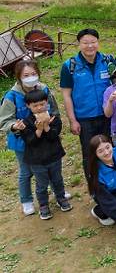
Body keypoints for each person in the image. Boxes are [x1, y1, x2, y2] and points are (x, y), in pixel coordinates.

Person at [0, 60, 61, 216]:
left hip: (45, 138)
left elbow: (54, 110)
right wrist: (14, 126)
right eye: (26, 75)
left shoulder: (44, 89)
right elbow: (4, 120)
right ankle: (26, 200)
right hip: (22, 141)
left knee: (52, 166)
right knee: (26, 171)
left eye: (33, 74)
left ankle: (57, 192)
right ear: (19, 77)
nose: (31, 77)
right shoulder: (12, 96)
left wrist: (53, 122)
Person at [60, 28, 113, 182]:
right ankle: (94, 186)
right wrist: (72, 120)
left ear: (98, 43)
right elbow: (66, 95)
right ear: (79, 44)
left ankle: (109, 183)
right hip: (84, 118)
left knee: (109, 151)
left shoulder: (107, 61)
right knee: (89, 153)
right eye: (85, 43)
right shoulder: (70, 66)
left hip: (106, 115)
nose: (90, 46)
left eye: (93, 42)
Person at [20, 89, 71, 220]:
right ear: (28, 106)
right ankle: (43, 205)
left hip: (54, 156)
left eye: (42, 104)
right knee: (41, 184)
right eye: (35, 106)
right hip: (37, 160)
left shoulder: (54, 118)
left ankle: (61, 198)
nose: (39, 108)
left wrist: (47, 126)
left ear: (47, 102)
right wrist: (39, 129)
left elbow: (54, 136)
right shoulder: (26, 123)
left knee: (57, 179)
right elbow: (30, 141)